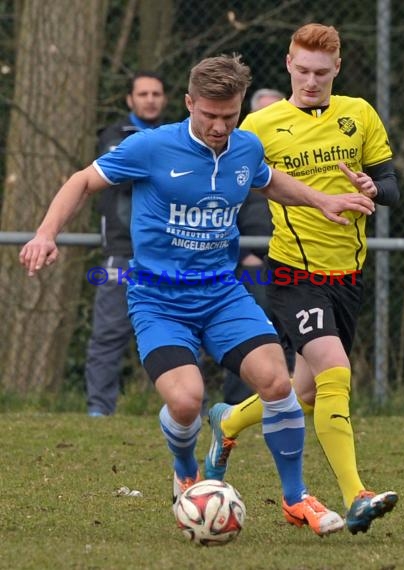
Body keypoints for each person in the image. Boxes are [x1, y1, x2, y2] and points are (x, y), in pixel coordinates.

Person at [19, 54, 375, 536]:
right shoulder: (150, 147)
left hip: (222, 295)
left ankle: (296, 500)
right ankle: (186, 467)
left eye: (229, 116)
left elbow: (272, 184)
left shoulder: (244, 148)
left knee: (276, 384)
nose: (219, 126)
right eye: (209, 115)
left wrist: (325, 199)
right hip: (158, 299)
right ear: (189, 104)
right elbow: (83, 180)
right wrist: (46, 233)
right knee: (186, 403)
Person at [205, 25, 400, 535]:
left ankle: (227, 422)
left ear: (337, 68)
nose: (311, 80)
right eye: (302, 70)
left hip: (347, 276)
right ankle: (356, 494)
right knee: (336, 372)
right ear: (289, 64)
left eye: (321, 72)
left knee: (304, 394)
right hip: (294, 273)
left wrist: (373, 187)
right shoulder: (261, 125)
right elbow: (236, 187)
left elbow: (391, 186)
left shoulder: (359, 115)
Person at [86, 71, 167, 417]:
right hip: (122, 255)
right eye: (143, 93)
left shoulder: (175, 135)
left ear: (164, 99)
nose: (150, 99)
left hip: (170, 255)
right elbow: (123, 175)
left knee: (178, 332)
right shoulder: (113, 138)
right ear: (130, 100)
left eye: (156, 93)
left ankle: (187, 409)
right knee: (109, 334)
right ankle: (99, 411)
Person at [222, 87, 285, 405]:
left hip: (292, 259)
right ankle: (237, 404)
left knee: (290, 332)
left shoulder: (296, 156)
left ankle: (285, 402)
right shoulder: (236, 158)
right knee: (249, 333)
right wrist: (245, 253)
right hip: (250, 263)